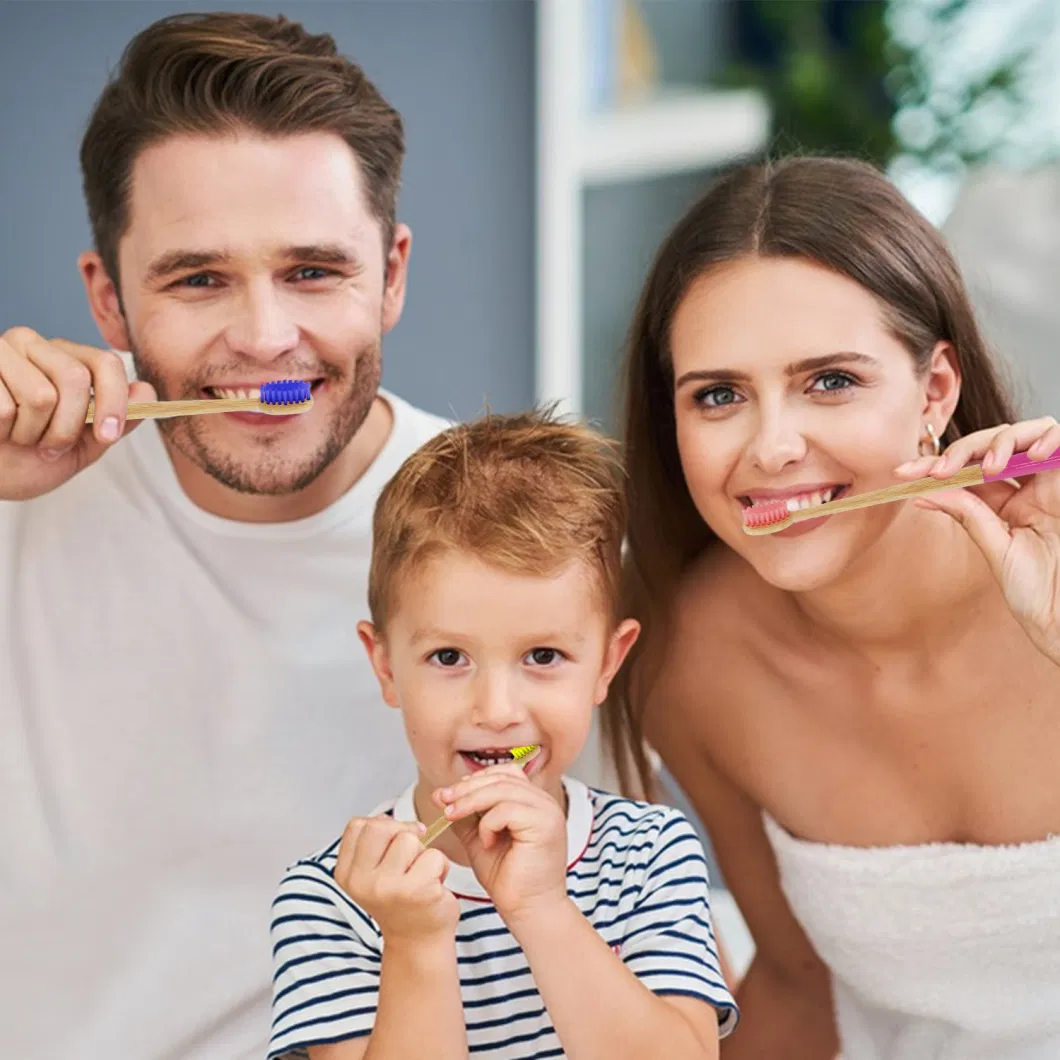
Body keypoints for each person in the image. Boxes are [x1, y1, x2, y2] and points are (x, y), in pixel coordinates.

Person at [0, 12, 457, 1058]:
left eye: (311, 271)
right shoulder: (15, 505)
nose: (262, 336)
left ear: (390, 273)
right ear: (107, 300)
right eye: (198, 278)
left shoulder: (532, 544)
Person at [604, 155, 1060, 1060]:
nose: (773, 447)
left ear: (935, 392)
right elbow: (794, 982)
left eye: (830, 381)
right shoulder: (689, 663)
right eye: (721, 395)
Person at [267, 409, 739, 1059]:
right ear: (385, 667)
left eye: (543, 657)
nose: (496, 710)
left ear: (607, 662)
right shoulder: (336, 899)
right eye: (449, 658)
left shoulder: (647, 856)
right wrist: (415, 942)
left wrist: (542, 908)